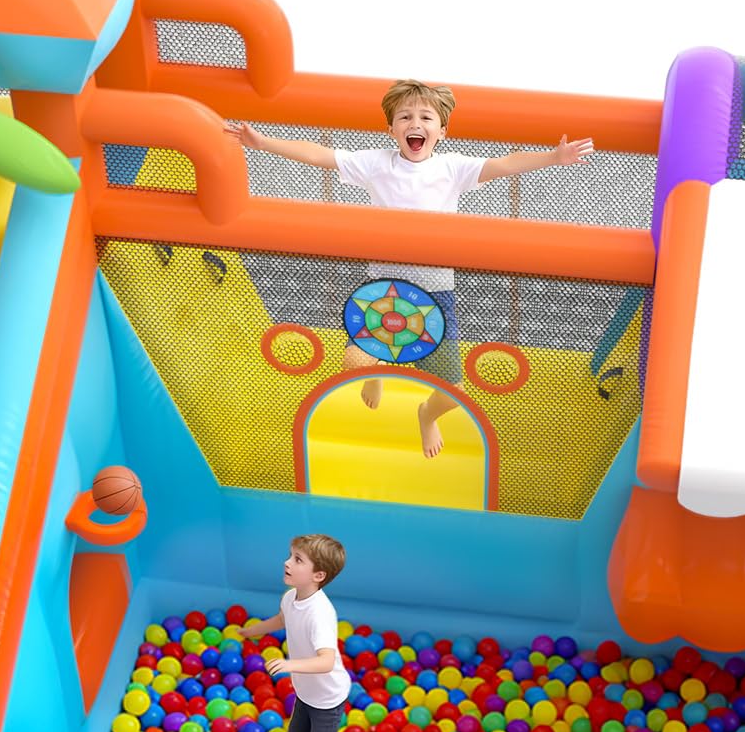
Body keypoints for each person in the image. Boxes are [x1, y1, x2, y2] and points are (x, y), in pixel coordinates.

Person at [227, 81, 595, 457]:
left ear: (442, 131)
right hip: (384, 287)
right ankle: (376, 371)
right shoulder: (377, 163)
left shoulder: (452, 168)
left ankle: (426, 415)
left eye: (425, 118)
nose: (414, 123)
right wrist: (263, 142)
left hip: (435, 292)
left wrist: (554, 157)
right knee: (353, 365)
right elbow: (321, 155)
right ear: (391, 129)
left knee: (453, 394)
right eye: (405, 117)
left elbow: (504, 164)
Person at [237, 534, 351, 732]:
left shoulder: (320, 613)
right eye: (290, 555)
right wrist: (252, 631)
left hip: (327, 697)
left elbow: (326, 661)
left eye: (297, 560)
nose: (287, 562)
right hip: (307, 692)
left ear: (318, 575)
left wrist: (290, 665)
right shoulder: (291, 597)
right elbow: (282, 619)